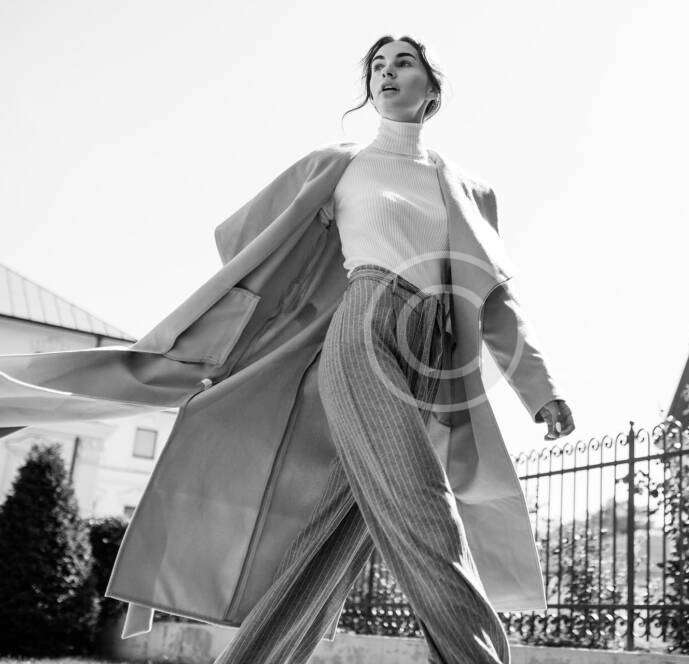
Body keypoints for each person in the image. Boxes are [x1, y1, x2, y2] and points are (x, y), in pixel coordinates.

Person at [210, 35, 575, 664]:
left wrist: (541, 391)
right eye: (377, 66)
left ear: (431, 88)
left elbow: (495, 299)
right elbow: (245, 241)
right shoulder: (339, 167)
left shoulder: (468, 190)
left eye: (403, 62)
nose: (387, 72)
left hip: (433, 352)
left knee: (333, 539)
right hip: (365, 329)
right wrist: (308, 248)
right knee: (430, 513)